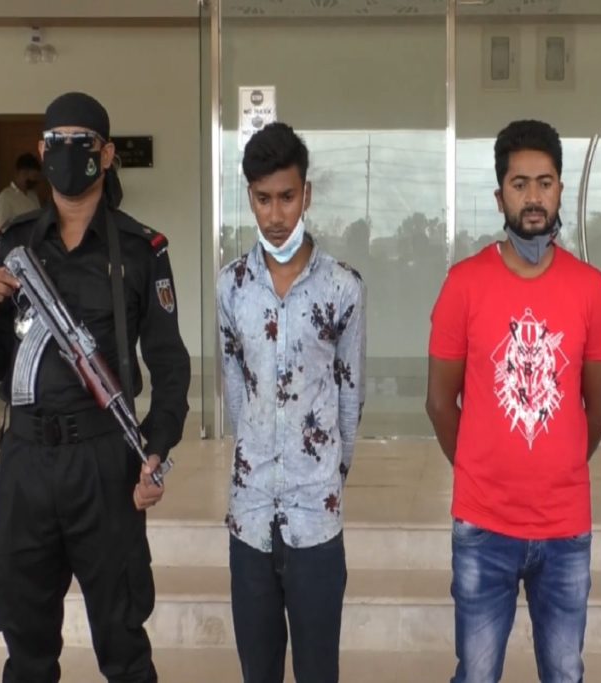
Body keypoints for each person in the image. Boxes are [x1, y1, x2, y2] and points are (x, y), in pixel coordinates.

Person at [0, 91, 191, 683]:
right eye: (56, 143)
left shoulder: (141, 250)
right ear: (41, 150)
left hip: (104, 461)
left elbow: (169, 363)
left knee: (123, 645)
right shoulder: (14, 243)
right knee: (27, 647)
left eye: (81, 143)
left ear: (105, 155)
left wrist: (156, 447)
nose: (66, 154)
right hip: (26, 462)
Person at [426, 119, 601, 683]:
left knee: (564, 673)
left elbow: (600, 407)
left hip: (565, 526)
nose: (533, 197)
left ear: (560, 190)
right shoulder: (464, 284)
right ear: (499, 196)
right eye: (519, 184)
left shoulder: (589, 287)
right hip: (483, 526)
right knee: (477, 674)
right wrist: (479, 467)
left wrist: (559, 466)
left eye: (545, 183)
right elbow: (439, 402)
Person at [218, 121, 366, 683]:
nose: (275, 214)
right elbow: (236, 390)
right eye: (263, 199)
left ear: (307, 194)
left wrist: (326, 477)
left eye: (286, 197)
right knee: (258, 671)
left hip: (316, 520)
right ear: (250, 197)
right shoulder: (231, 286)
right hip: (251, 515)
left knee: (318, 671)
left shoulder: (343, 287)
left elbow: (350, 396)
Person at [0, 152, 42, 237]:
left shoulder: (33, 196)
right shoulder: (5, 197)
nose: (35, 181)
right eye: (33, 177)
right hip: (16, 243)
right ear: (23, 173)